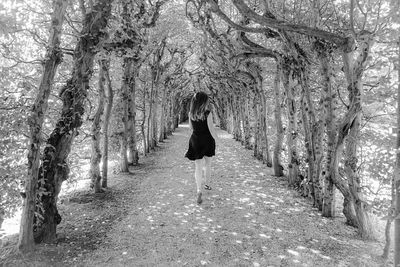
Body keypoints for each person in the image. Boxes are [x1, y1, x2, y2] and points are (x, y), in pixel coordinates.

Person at [185, 92, 218, 204]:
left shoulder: (191, 113)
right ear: (204, 101)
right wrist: (218, 140)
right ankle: (207, 184)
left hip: (195, 140)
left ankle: (199, 190)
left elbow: (190, 128)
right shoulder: (208, 113)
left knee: (198, 167)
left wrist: (190, 142)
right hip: (207, 140)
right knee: (208, 164)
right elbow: (211, 129)